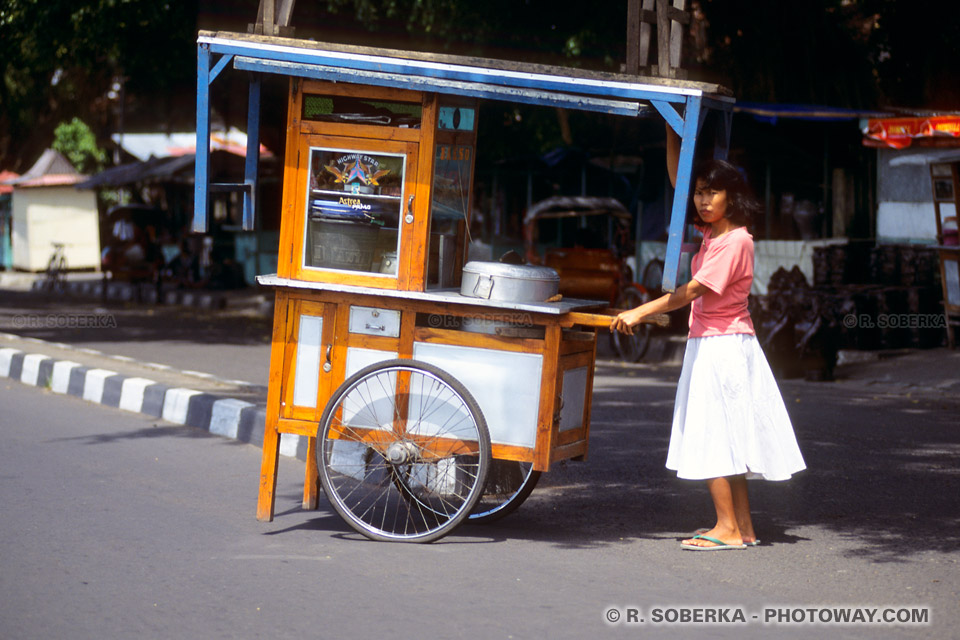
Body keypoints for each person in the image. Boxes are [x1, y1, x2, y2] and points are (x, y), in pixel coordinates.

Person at [610, 141, 805, 551]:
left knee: (713, 433)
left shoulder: (736, 242)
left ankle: (728, 529)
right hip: (718, 343)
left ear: (731, 195)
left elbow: (690, 292)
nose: (702, 200)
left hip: (724, 347)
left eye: (711, 192)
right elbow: (676, 180)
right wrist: (669, 127)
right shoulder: (712, 234)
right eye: (699, 192)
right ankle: (742, 528)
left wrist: (638, 312)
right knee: (727, 435)